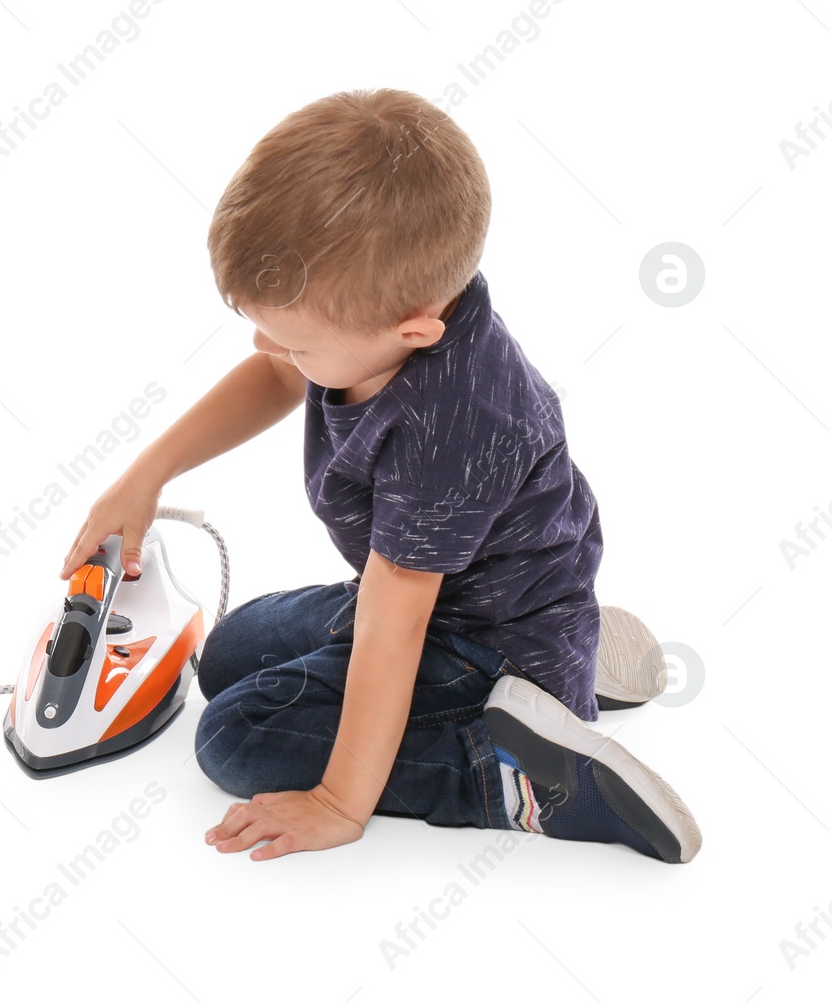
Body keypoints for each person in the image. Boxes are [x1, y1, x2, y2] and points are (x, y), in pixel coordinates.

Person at [58, 88, 701, 863]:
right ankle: (567, 650)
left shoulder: (452, 426)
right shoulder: (390, 317)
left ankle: (510, 769)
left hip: (469, 634)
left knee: (234, 739)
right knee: (226, 654)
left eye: (294, 341)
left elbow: (394, 625)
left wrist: (338, 802)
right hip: (467, 598)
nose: (267, 344)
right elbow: (275, 375)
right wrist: (146, 476)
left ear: (414, 330)